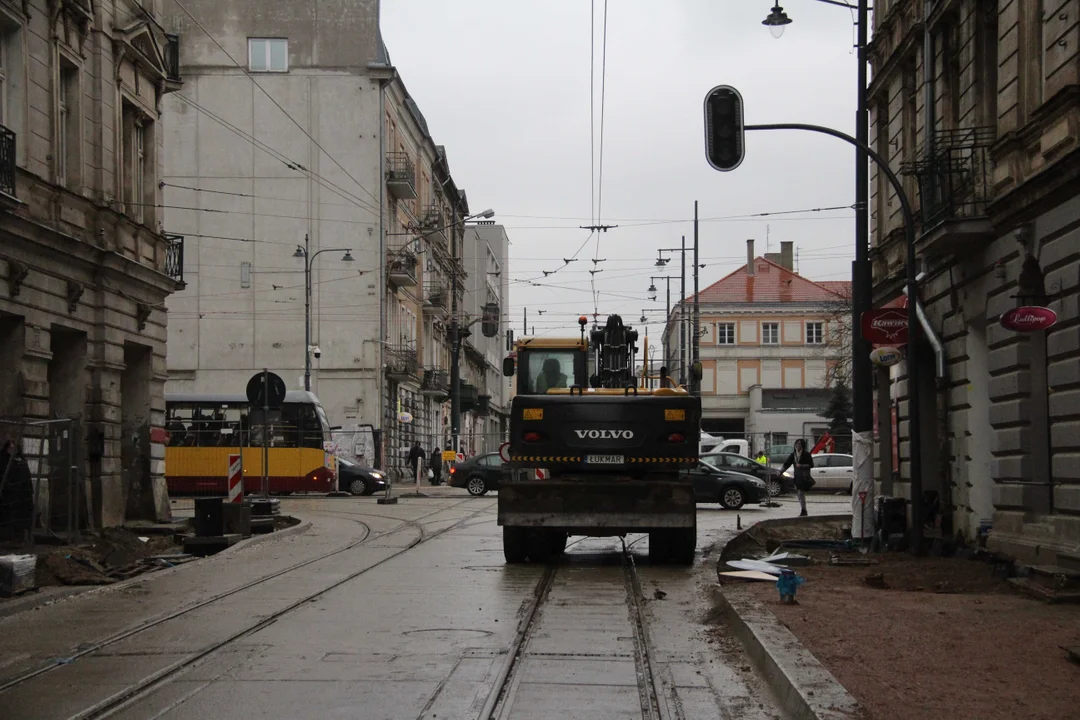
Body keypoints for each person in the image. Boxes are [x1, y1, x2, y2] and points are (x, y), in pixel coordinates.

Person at [780, 439, 815, 517]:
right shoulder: (794, 455)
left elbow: (811, 465)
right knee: (799, 494)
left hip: (804, 476)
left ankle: (804, 510)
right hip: (797, 476)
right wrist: (780, 471)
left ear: (802, 445)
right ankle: (803, 510)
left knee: (800, 493)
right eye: (796, 443)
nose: (798, 445)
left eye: (799, 444)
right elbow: (787, 463)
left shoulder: (806, 454)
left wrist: (802, 466)